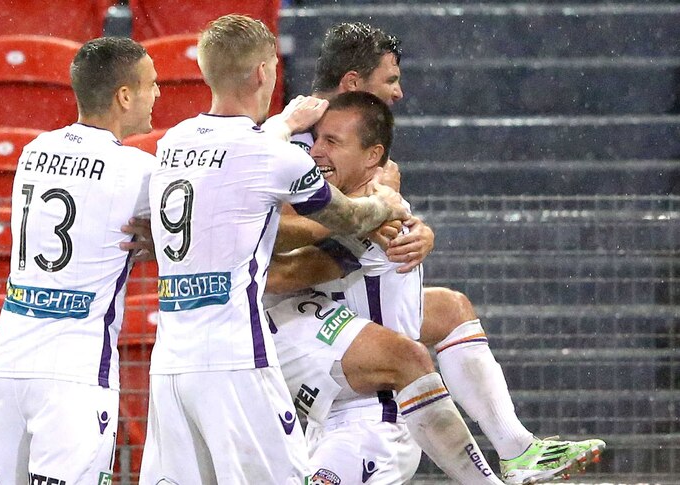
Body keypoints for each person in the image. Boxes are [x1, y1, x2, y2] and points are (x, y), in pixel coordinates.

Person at [268, 22, 605, 485]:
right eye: (390, 80)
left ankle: (517, 449)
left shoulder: (367, 156)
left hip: (331, 317)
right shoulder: (290, 144)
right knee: (406, 359)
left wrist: (414, 230)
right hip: (284, 321)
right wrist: (359, 226)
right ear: (352, 83)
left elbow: (384, 213)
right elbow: (273, 240)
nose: (400, 92)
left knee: (448, 308)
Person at [138, 14, 410, 485]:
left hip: (171, 365)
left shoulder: (172, 143)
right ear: (265, 72)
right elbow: (347, 218)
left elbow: (226, 173)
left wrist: (284, 123)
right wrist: (384, 202)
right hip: (239, 360)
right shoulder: (273, 155)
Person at [269, 91, 507, 484]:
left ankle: (508, 454)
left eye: (333, 142)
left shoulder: (381, 222)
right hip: (331, 411)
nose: (316, 152)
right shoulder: (373, 207)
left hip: (372, 418)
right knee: (449, 305)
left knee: (432, 326)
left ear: (371, 157)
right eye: (317, 139)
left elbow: (282, 274)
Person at [0, 37, 160, 484]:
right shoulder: (137, 169)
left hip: (9, 360)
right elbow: (197, 232)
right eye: (153, 84)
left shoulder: (34, 151)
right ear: (124, 96)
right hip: (73, 371)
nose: (159, 94)